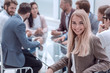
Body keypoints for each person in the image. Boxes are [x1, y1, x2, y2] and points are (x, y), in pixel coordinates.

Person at [46, 9, 110, 73]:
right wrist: (52, 68)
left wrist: (88, 71)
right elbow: (68, 58)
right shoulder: (74, 38)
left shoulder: (93, 40)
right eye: (74, 23)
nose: (77, 27)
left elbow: (106, 62)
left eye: (81, 23)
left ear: (86, 23)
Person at [1, 3, 42, 73]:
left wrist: (32, 39)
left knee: (30, 56)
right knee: (38, 64)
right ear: (28, 14)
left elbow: (18, 39)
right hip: (12, 58)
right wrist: (38, 42)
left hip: (7, 54)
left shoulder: (12, 18)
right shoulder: (20, 23)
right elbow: (26, 45)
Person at [96, 7, 110, 73]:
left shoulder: (103, 35)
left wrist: (99, 33)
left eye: (104, 18)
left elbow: (91, 50)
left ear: (108, 20)